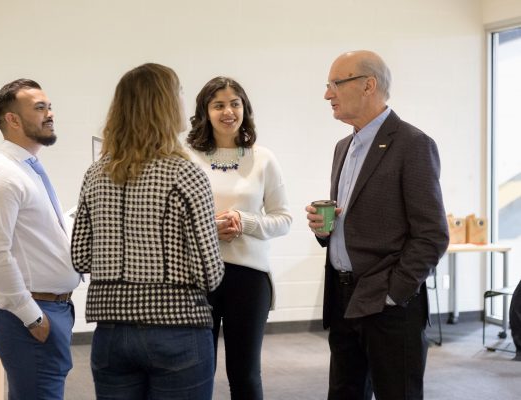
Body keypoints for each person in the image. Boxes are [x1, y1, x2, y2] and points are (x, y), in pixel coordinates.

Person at [71, 63, 225, 400]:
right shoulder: (185, 174)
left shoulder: (95, 175)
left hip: (110, 332)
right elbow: (209, 273)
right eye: (180, 93)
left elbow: (80, 257)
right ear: (167, 105)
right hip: (178, 329)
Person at [305, 50, 449, 400]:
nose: (328, 94)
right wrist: (326, 230)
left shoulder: (413, 144)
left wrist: (394, 292)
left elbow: (432, 234)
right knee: (344, 393)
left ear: (368, 85)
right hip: (343, 300)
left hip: (388, 305)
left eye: (335, 84)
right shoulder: (344, 147)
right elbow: (353, 220)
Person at [0, 79, 80, 400]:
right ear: (13, 120)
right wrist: (31, 317)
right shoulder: (2, 176)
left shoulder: (28, 169)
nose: (50, 114)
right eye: (40, 108)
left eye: (49, 106)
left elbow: (43, 232)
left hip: (51, 307)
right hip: (30, 312)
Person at [186, 76, 292, 400]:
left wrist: (244, 222)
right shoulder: (186, 157)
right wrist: (208, 227)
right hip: (198, 276)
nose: (228, 111)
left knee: (245, 373)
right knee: (195, 371)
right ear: (205, 112)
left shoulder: (263, 158)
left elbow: (283, 219)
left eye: (235, 103)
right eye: (218, 105)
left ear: (245, 108)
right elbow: (170, 221)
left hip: (249, 278)